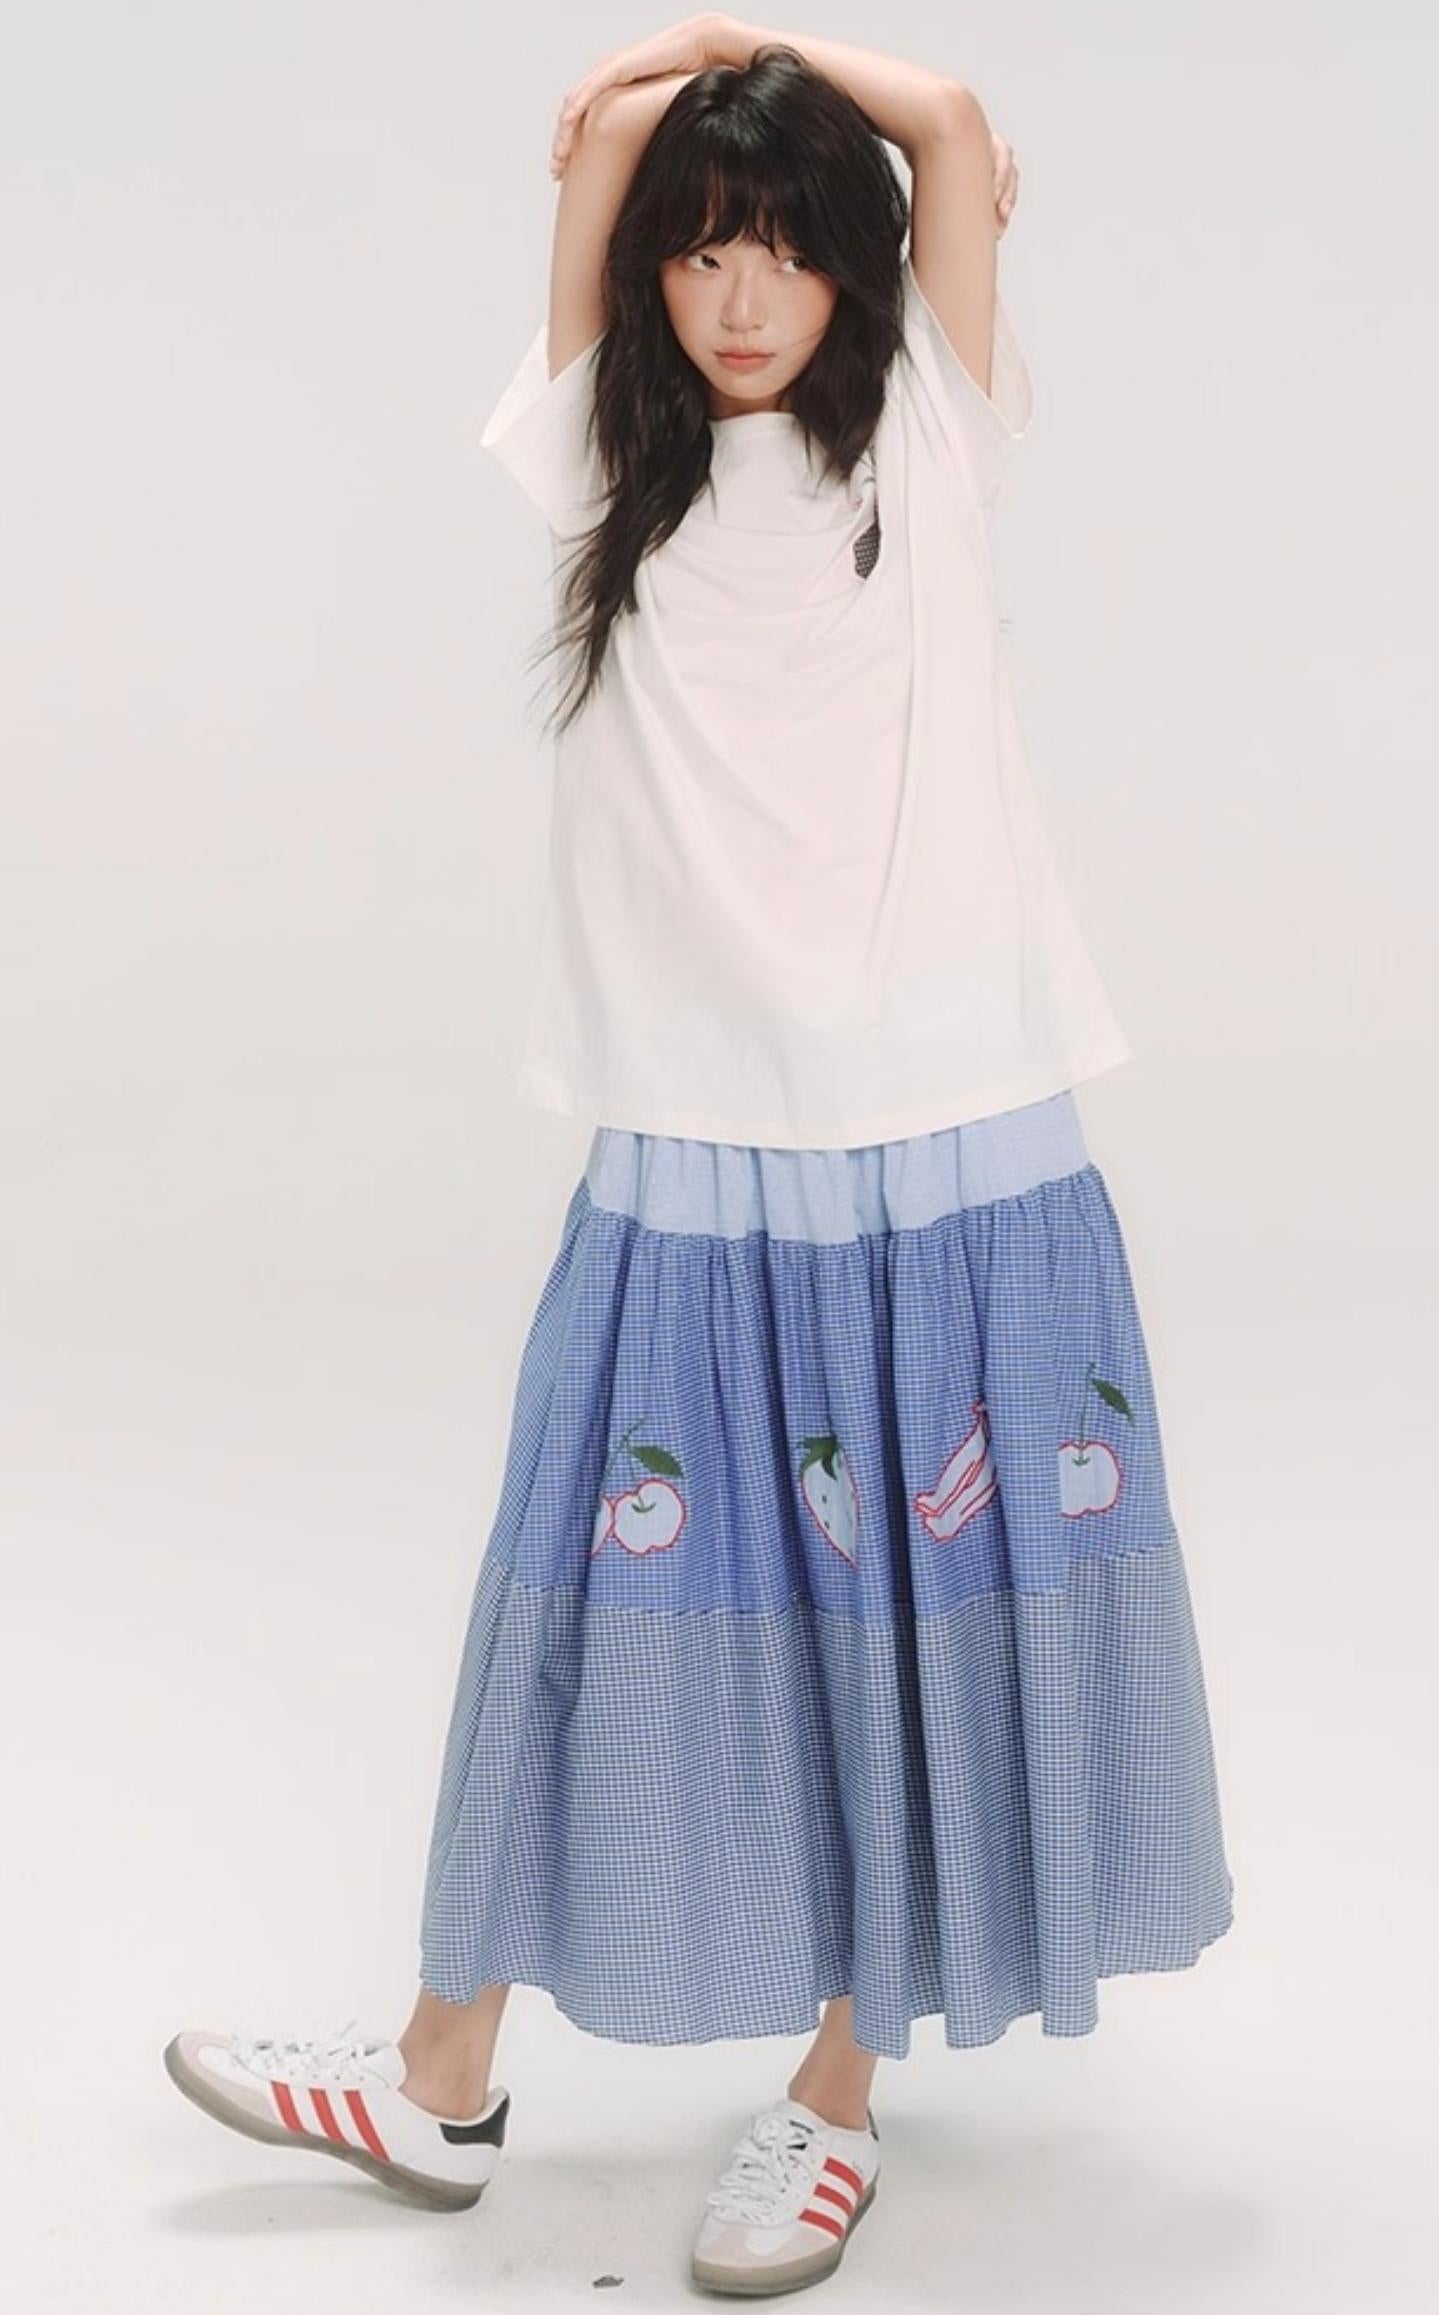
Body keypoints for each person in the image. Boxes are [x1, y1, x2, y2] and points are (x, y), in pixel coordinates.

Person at [164, 15, 1235, 2297]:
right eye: (701, 255)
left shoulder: (929, 434)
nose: (740, 298)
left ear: (855, 269)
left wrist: (748, 49)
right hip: (690, 1139)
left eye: (785, 251)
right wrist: (673, 77)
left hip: (946, 1137)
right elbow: (603, 150)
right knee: (576, 1593)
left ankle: (835, 2103)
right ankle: (441, 2072)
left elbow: (948, 123)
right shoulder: (603, 463)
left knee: (911, 1624)